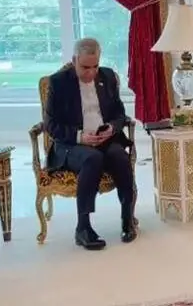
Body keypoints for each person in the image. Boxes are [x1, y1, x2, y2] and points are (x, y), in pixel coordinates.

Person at [44, 38, 136, 250]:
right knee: (92, 158)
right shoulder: (58, 83)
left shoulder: (107, 77)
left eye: (95, 66)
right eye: (85, 67)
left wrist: (111, 128)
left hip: (104, 139)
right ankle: (83, 228)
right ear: (74, 60)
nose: (91, 73)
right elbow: (50, 125)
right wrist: (80, 137)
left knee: (120, 157)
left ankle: (127, 219)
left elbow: (119, 114)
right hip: (72, 144)